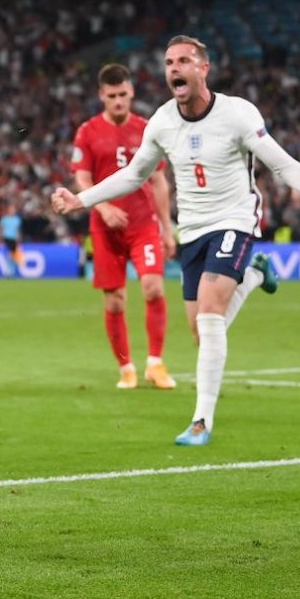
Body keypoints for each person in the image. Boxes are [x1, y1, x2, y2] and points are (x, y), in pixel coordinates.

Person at [50, 36, 300, 446]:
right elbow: (135, 174)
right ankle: (255, 275)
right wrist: (81, 200)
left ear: (203, 69)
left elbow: (282, 164)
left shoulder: (237, 114)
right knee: (201, 331)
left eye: (184, 60)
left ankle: (201, 422)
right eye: (169, 62)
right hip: (192, 230)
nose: (174, 68)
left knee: (210, 316)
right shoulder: (162, 122)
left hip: (235, 220)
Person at [71, 63, 178, 390]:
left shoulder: (147, 128)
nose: (118, 101)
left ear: (131, 92)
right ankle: (126, 367)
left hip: (143, 224)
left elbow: (158, 181)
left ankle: (156, 364)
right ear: (102, 96)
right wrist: (103, 208)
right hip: (105, 229)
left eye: (122, 94)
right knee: (115, 301)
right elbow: (82, 178)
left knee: (153, 287)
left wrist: (167, 227)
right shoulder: (88, 131)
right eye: (111, 96)